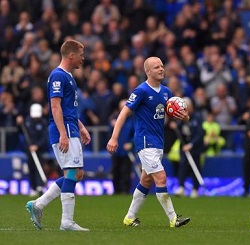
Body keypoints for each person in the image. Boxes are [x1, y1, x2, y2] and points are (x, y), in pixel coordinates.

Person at [106, 56, 190, 228]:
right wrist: (114, 137)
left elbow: (173, 112)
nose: (161, 69)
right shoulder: (141, 91)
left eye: (162, 65)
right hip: (145, 142)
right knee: (161, 177)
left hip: (158, 142)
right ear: (148, 71)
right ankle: (174, 219)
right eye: (156, 67)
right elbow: (123, 114)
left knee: (146, 181)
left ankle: (129, 218)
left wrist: (185, 117)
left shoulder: (166, 92)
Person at [26, 40, 91, 231]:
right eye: (81, 54)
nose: (83, 58)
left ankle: (38, 204)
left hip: (71, 127)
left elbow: (68, 108)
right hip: (64, 130)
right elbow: (55, 106)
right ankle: (66, 222)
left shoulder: (68, 76)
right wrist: (63, 133)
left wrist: (81, 127)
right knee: (71, 172)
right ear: (71, 55)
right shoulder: (58, 76)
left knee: (77, 173)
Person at [174, 97, 205, 198]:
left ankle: (195, 189)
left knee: (195, 166)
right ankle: (181, 187)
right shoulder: (180, 118)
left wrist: (191, 145)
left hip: (195, 147)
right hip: (184, 146)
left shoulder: (197, 117)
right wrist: (175, 126)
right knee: (182, 165)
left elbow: (200, 134)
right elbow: (179, 130)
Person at [17, 103, 48, 196]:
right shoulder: (26, 121)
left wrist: (37, 145)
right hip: (29, 148)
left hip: (40, 149)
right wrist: (19, 124)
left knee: (39, 166)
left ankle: (40, 186)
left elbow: (44, 137)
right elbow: (21, 132)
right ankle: (33, 187)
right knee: (31, 167)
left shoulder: (43, 122)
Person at [109, 99, 135, 194]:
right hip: (116, 149)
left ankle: (125, 190)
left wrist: (131, 143)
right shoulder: (115, 119)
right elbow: (109, 133)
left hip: (127, 150)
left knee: (126, 171)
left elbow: (136, 133)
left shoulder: (133, 120)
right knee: (115, 170)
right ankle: (116, 190)